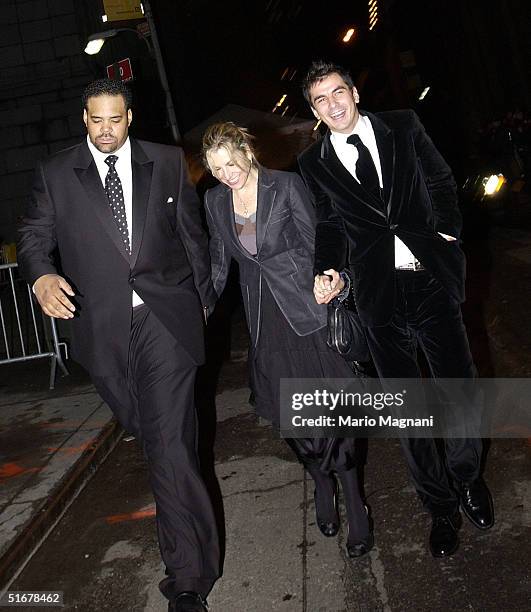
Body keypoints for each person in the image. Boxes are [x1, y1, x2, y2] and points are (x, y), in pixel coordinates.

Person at [17, 79, 218, 612]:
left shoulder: (167, 160)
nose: (105, 130)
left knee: (171, 446)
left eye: (115, 119)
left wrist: (200, 308)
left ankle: (188, 578)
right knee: (155, 439)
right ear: (84, 118)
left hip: (165, 322)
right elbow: (35, 236)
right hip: (101, 330)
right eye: (95, 120)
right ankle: (199, 547)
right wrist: (40, 277)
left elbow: (194, 240)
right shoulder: (56, 173)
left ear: (130, 117)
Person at [298, 60, 494, 558]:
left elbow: (442, 181)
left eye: (338, 92)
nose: (333, 105)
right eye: (320, 100)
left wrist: (446, 232)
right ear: (314, 111)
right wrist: (330, 270)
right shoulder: (314, 163)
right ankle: (441, 507)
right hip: (378, 300)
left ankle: (468, 479)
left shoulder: (403, 125)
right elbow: (331, 225)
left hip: (429, 282)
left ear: (355, 90)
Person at [201, 122, 373, 558]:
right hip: (264, 323)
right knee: (294, 419)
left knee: (335, 414)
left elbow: (319, 243)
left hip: (307, 312)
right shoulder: (215, 200)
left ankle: (354, 499)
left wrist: (332, 279)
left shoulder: (286, 185)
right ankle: (319, 478)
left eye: (230, 162)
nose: (226, 174)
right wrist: (195, 309)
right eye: (216, 168)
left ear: (246, 150)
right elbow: (220, 267)